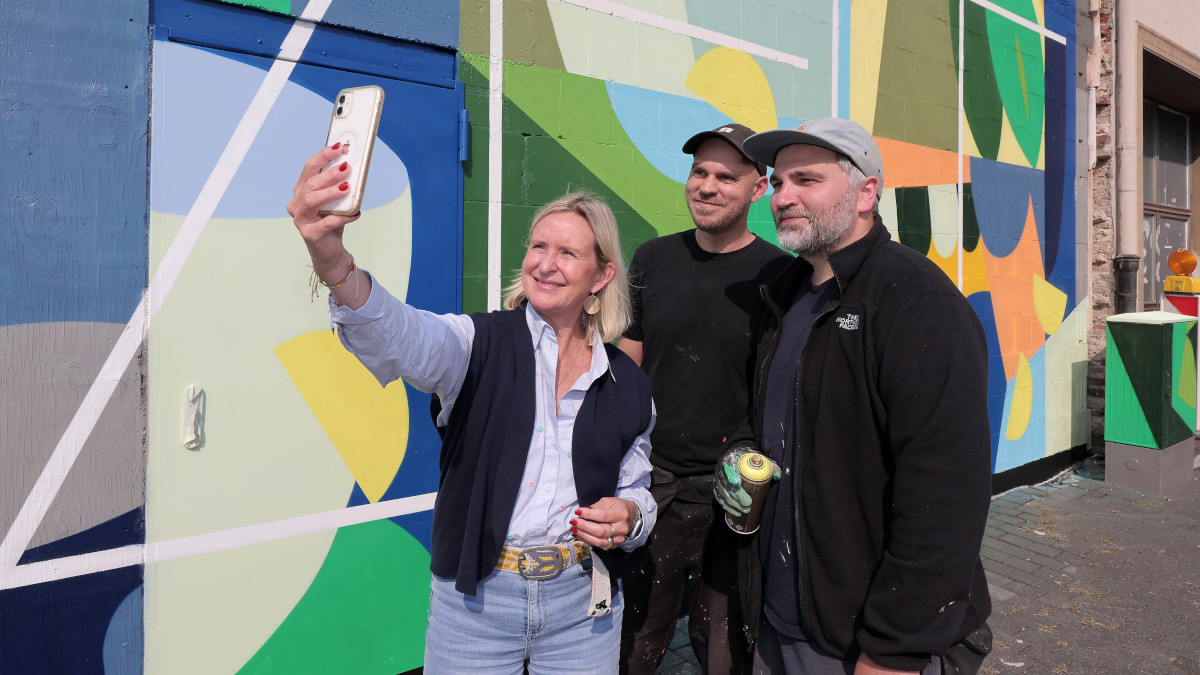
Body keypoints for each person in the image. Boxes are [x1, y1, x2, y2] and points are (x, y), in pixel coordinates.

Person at [288, 145, 657, 675]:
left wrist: (632, 516)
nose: (545, 264)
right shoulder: (475, 343)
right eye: (537, 246)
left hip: (585, 607)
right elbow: (401, 336)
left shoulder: (629, 383)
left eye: (568, 253)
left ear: (601, 277)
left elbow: (637, 489)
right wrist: (333, 261)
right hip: (478, 602)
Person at [714, 118, 993, 675]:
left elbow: (945, 496)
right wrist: (742, 454)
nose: (783, 197)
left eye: (806, 180)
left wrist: (892, 651)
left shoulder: (916, 302)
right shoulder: (787, 294)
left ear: (867, 192)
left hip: (862, 643)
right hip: (781, 618)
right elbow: (773, 415)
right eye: (778, 181)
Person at [619, 123, 791, 675]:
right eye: (700, 172)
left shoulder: (780, 274)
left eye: (727, 176)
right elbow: (630, 353)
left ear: (757, 189)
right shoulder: (653, 258)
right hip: (655, 484)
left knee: (723, 650)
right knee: (636, 643)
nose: (708, 186)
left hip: (733, 493)